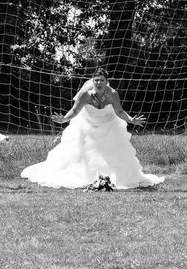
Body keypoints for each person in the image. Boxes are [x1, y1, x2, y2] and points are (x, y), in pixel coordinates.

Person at [21, 68, 164, 189]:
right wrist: (64, 119)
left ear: (106, 81)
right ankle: (87, 177)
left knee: (113, 152)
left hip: (109, 125)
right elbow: (75, 111)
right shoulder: (85, 94)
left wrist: (131, 120)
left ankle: (111, 178)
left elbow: (119, 112)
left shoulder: (112, 94)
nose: (99, 82)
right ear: (92, 81)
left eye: (102, 80)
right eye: (96, 80)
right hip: (88, 126)